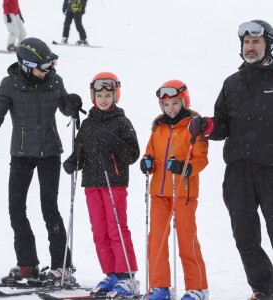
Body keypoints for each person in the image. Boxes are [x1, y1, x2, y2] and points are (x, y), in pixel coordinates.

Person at [0, 37, 84, 283]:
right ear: (27, 65)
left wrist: (72, 103)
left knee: (49, 208)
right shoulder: (9, 84)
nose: (50, 70)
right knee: (16, 209)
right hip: (21, 154)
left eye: (51, 64)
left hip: (49, 153)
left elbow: (66, 109)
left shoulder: (54, 81)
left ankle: (61, 266)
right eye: (44, 66)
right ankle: (27, 264)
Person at [188, 20, 273, 300]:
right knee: (245, 237)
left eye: (256, 42)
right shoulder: (232, 83)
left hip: (271, 170)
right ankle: (264, 289)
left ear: (268, 44)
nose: (251, 48)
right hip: (238, 172)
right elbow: (222, 125)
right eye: (247, 43)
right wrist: (206, 126)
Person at [63, 72, 140, 297]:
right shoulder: (87, 124)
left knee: (117, 229)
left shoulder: (122, 122)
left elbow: (132, 154)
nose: (104, 99)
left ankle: (127, 275)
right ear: (93, 96)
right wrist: (73, 161)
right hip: (91, 184)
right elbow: (81, 149)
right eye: (99, 95)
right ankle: (111, 273)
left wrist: (115, 142)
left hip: (113, 182)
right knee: (99, 231)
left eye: (108, 94)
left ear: (116, 95)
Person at [140, 80, 209, 300]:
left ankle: (197, 288)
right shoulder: (158, 127)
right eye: (166, 104)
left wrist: (185, 168)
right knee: (157, 241)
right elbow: (149, 152)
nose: (170, 109)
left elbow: (201, 159)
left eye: (175, 103)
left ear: (184, 101)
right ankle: (159, 287)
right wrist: (147, 162)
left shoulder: (194, 127)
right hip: (159, 193)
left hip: (183, 192)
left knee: (187, 240)